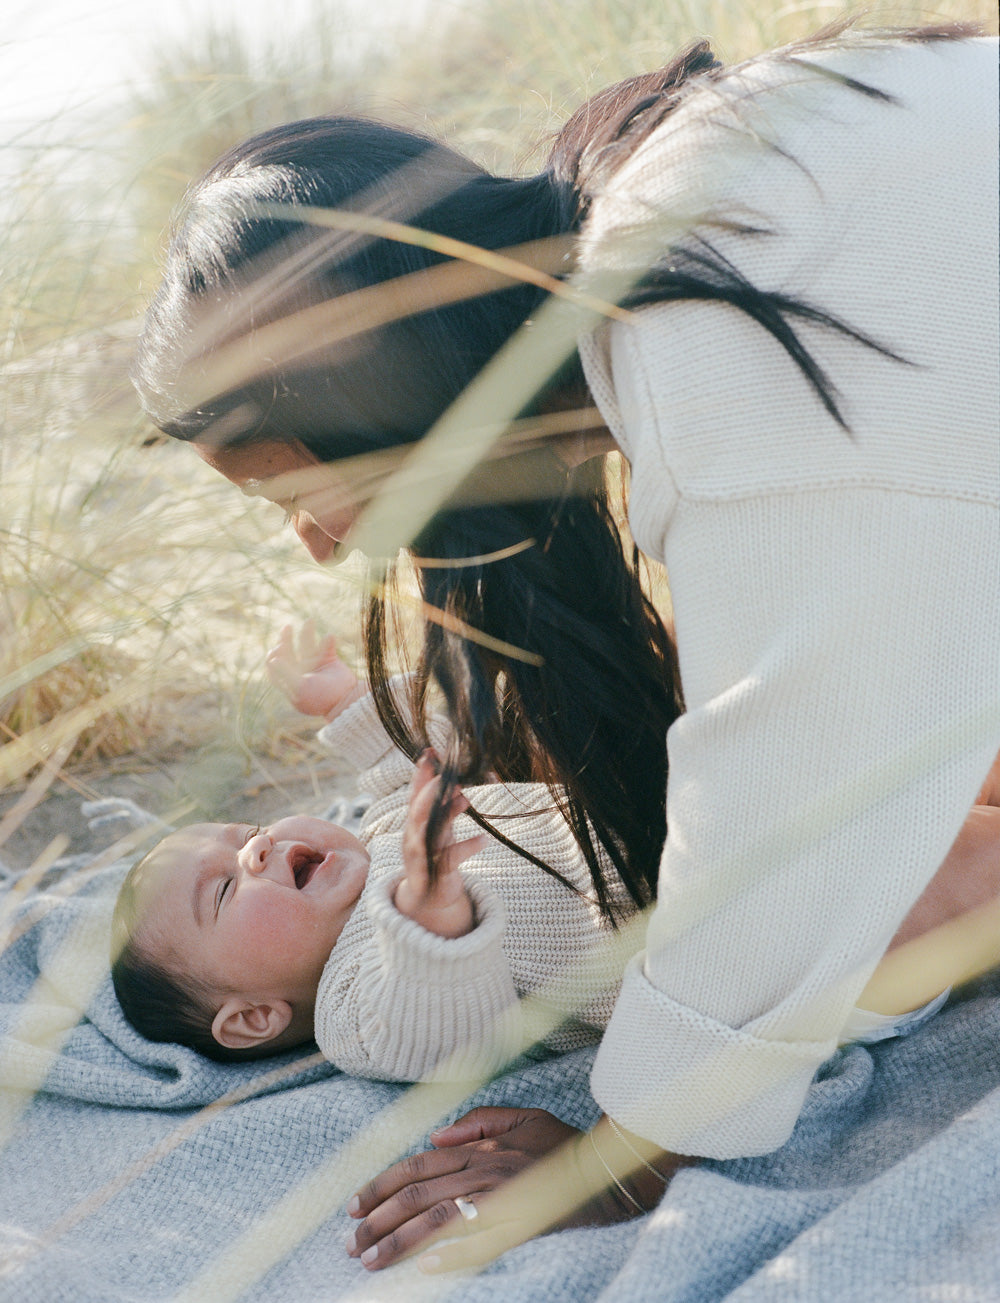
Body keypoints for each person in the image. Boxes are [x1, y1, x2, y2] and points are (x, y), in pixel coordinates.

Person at [130, 21, 999, 1272]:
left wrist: (627, 1153)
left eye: (290, 497)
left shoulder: (709, 359)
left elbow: (776, 838)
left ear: (368, 403)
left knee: (836, 816)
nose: (323, 549)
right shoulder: (678, 186)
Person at [112, 624, 639, 1075]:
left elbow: (422, 763)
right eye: (225, 888)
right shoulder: (350, 1015)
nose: (259, 846)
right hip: (668, 936)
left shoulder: (383, 833)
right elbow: (428, 1025)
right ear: (254, 1017)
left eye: (250, 831)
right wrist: (428, 910)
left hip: (652, 822)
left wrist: (344, 700)